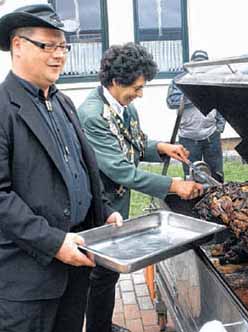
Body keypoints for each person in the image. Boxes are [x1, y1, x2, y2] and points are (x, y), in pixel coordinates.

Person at [0, 4, 123, 332]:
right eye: (48, 45)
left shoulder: (63, 102)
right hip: (29, 279)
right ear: (18, 45)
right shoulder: (3, 109)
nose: (59, 55)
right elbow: (1, 198)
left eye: (63, 46)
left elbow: (80, 168)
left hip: (75, 267)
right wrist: (54, 243)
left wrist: (104, 210)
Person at [78, 43, 203, 332]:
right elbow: (122, 170)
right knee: (99, 275)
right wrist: (174, 185)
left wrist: (161, 147)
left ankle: (102, 326)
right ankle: (98, 329)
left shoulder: (125, 107)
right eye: (136, 87)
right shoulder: (93, 115)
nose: (140, 94)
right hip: (100, 206)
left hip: (116, 206)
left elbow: (133, 146)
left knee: (106, 276)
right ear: (114, 81)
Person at [166, 50, 226, 182]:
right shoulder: (180, 80)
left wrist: (219, 128)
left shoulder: (213, 80)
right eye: (197, 64)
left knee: (217, 175)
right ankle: (195, 202)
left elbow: (222, 103)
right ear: (191, 65)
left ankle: (219, 200)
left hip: (211, 136)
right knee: (191, 177)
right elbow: (171, 101)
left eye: (203, 64)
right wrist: (195, 94)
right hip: (188, 137)